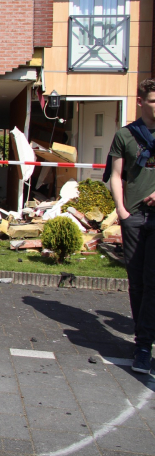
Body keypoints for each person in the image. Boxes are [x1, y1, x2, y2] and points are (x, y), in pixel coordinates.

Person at [109, 78, 155, 375]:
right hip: (133, 217)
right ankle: (142, 338)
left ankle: (143, 345)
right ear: (141, 102)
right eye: (154, 100)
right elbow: (115, 174)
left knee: (153, 282)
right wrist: (122, 211)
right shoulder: (125, 135)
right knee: (137, 281)